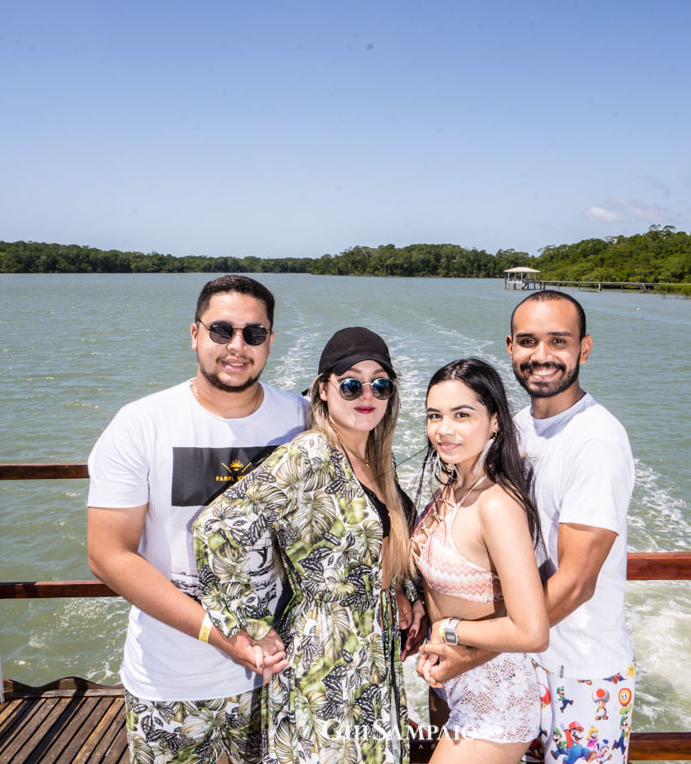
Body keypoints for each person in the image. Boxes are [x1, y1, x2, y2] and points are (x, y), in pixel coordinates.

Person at [86, 275, 307, 764]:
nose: (236, 346)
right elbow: (108, 554)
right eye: (221, 330)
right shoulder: (141, 424)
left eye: (253, 334)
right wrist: (221, 635)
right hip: (169, 682)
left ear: (270, 341)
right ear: (194, 334)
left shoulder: (304, 419)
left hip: (279, 673)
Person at [420, 290, 636, 764]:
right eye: (528, 341)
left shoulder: (596, 440)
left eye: (558, 341)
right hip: (517, 667)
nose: (541, 356)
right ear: (510, 347)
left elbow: (577, 583)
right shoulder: (512, 431)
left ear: (584, 348)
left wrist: (468, 649)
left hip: (580, 671)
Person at [193, 327, 425, 764]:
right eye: (352, 383)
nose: (367, 394)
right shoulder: (312, 454)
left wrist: (397, 589)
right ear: (323, 388)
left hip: (372, 655)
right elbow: (217, 526)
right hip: (325, 661)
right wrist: (252, 626)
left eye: (381, 384)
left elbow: (372, 543)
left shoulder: (377, 460)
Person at [412, 358, 548, 763]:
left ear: (494, 422)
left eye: (462, 415)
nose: (444, 429)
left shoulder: (497, 504)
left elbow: (532, 631)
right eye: (434, 416)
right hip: (451, 685)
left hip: (496, 697)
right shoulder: (452, 486)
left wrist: (448, 628)